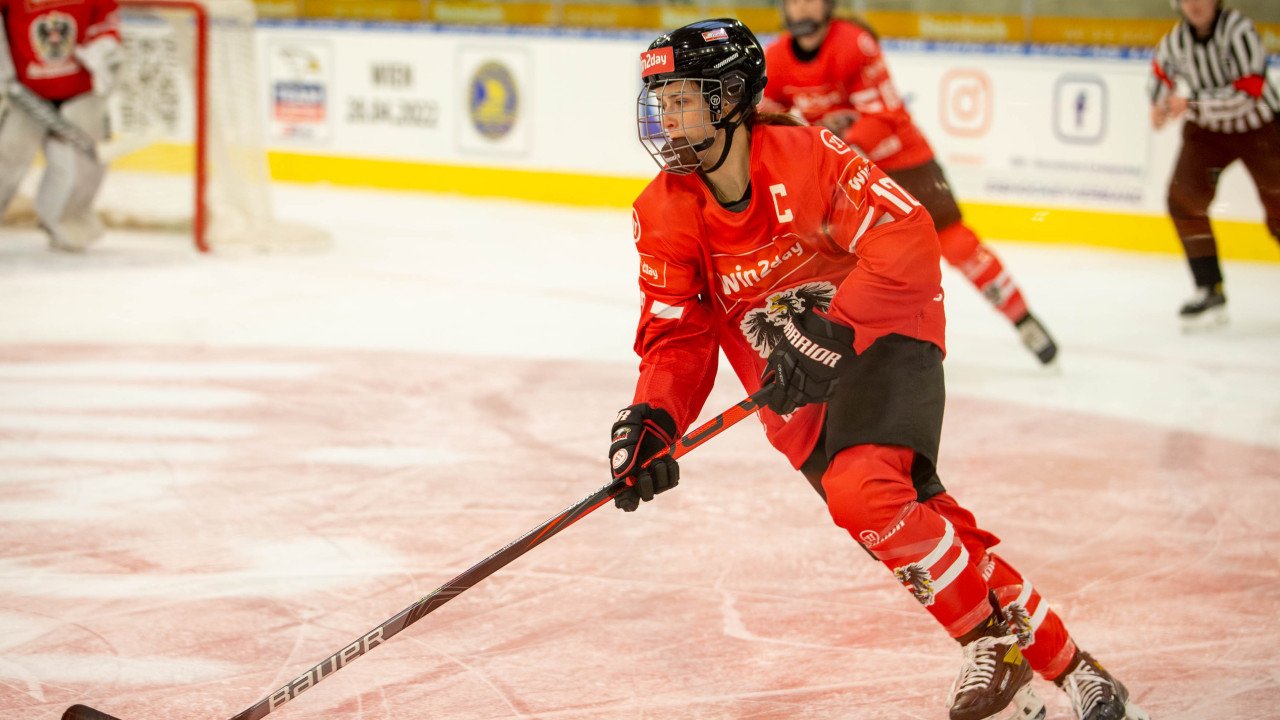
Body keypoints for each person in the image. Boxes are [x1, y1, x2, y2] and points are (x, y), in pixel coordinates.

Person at [612, 18, 1148, 720]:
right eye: (660, 99)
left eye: (683, 97)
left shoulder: (805, 157)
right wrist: (655, 417)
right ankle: (1078, 672)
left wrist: (836, 324)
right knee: (922, 530)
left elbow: (908, 233)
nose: (667, 117)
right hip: (796, 394)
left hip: (883, 333)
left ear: (734, 97)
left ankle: (992, 643)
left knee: (863, 493)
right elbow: (678, 337)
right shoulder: (663, 212)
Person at [757, 0, 1058, 365]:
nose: (802, 8)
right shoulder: (776, 57)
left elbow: (884, 114)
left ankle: (1022, 318)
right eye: (794, 0)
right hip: (846, 171)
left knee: (955, 241)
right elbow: (770, 123)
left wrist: (838, 152)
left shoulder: (854, 43)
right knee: (847, 260)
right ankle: (867, 340)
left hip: (902, 161)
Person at [1150, 0, 1280, 327]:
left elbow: (1248, 92)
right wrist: (1157, 102)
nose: (1194, 4)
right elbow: (1160, 70)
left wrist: (1191, 103)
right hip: (1209, 132)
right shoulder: (1176, 40)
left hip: (1261, 129)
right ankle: (1209, 289)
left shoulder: (1239, 31)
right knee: (1184, 201)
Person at [0, 0, 119, 252]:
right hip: (21, 92)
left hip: (79, 92)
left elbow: (105, 22)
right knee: (5, 157)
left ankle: (69, 225)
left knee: (82, 168)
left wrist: (104, 49)